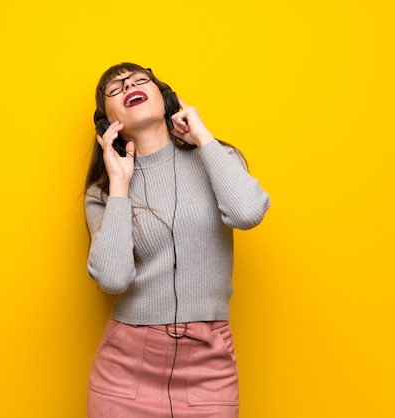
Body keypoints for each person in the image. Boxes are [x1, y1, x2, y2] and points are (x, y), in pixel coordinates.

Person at [84, 62, 271, 418]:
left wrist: (203, 137)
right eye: (115, 88)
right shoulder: (103, 192)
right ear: (108, 123)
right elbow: (112, 278)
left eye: (141, 80)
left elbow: (248, 213)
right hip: (126, 371)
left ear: (165, 96)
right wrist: (120, 184)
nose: (129, 85)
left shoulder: (217, 158)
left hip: (208, 367)